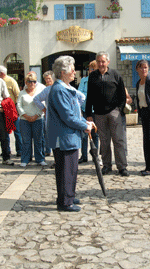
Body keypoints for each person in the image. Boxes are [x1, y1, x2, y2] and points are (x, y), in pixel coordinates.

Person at [47, 56, 94, 212]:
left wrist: (85, 123)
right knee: (66, 169)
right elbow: (67, 116)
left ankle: (69, 195)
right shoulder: (59, 90)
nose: (75, 72)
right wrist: (84, 125)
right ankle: (65, 202)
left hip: (70, 136)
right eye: (72, 69)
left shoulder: (65, 88)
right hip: (64, 137)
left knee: (71, 168)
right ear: (62, 72)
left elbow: (75, 112)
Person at [85, 51, 128, 176]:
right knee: (104, 141)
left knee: (119, 140)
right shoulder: (92, 76)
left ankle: (122, 167)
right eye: (98, 61)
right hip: (99, 113)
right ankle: (107, 166)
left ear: (108, 62)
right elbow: (90, 96)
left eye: (103, 61)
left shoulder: (115, 74)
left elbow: (122, 94)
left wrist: (119, 109)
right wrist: (88, 113)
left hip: (114, 112)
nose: (100, 64)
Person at [17, 72, 47, 167]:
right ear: (26, 82)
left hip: (37, 119)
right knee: (26, 140)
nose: (31, 84)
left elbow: (43, 105)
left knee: (38, 140)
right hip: (24, 120)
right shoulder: (21, 93)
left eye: (33, 81)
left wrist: (36, 115)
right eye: (29, 82)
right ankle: (25, 159)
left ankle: (40, 159)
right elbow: (19, 105)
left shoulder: (39, 92)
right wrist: (25, 115)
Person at [78, 61, 100, 164]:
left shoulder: (100, 80)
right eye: (91, 69)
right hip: (85, 110)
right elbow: (80, 93)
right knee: (84, 134)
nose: (92, 71)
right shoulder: (84, 80)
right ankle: (84, 156)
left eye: (94, 69)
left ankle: (95, 156)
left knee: (95, 134)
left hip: (96, 111)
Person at [0, 65, 22, 157]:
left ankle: (19, 150)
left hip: (11, 109)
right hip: (1, 110)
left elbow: (18, 95)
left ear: (2, 73)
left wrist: (17, 109)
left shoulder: (11, 81)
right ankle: (6, 150)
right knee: (4, 132)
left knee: (17, 131)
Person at [34, 70, 55, 157]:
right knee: (49, 134)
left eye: (49, 79)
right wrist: (44, 109)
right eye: (46, 79)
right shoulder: (46, 89)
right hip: (50, 115)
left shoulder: (60, 87)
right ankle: (49, 150)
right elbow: (36, 99)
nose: (47, 81)